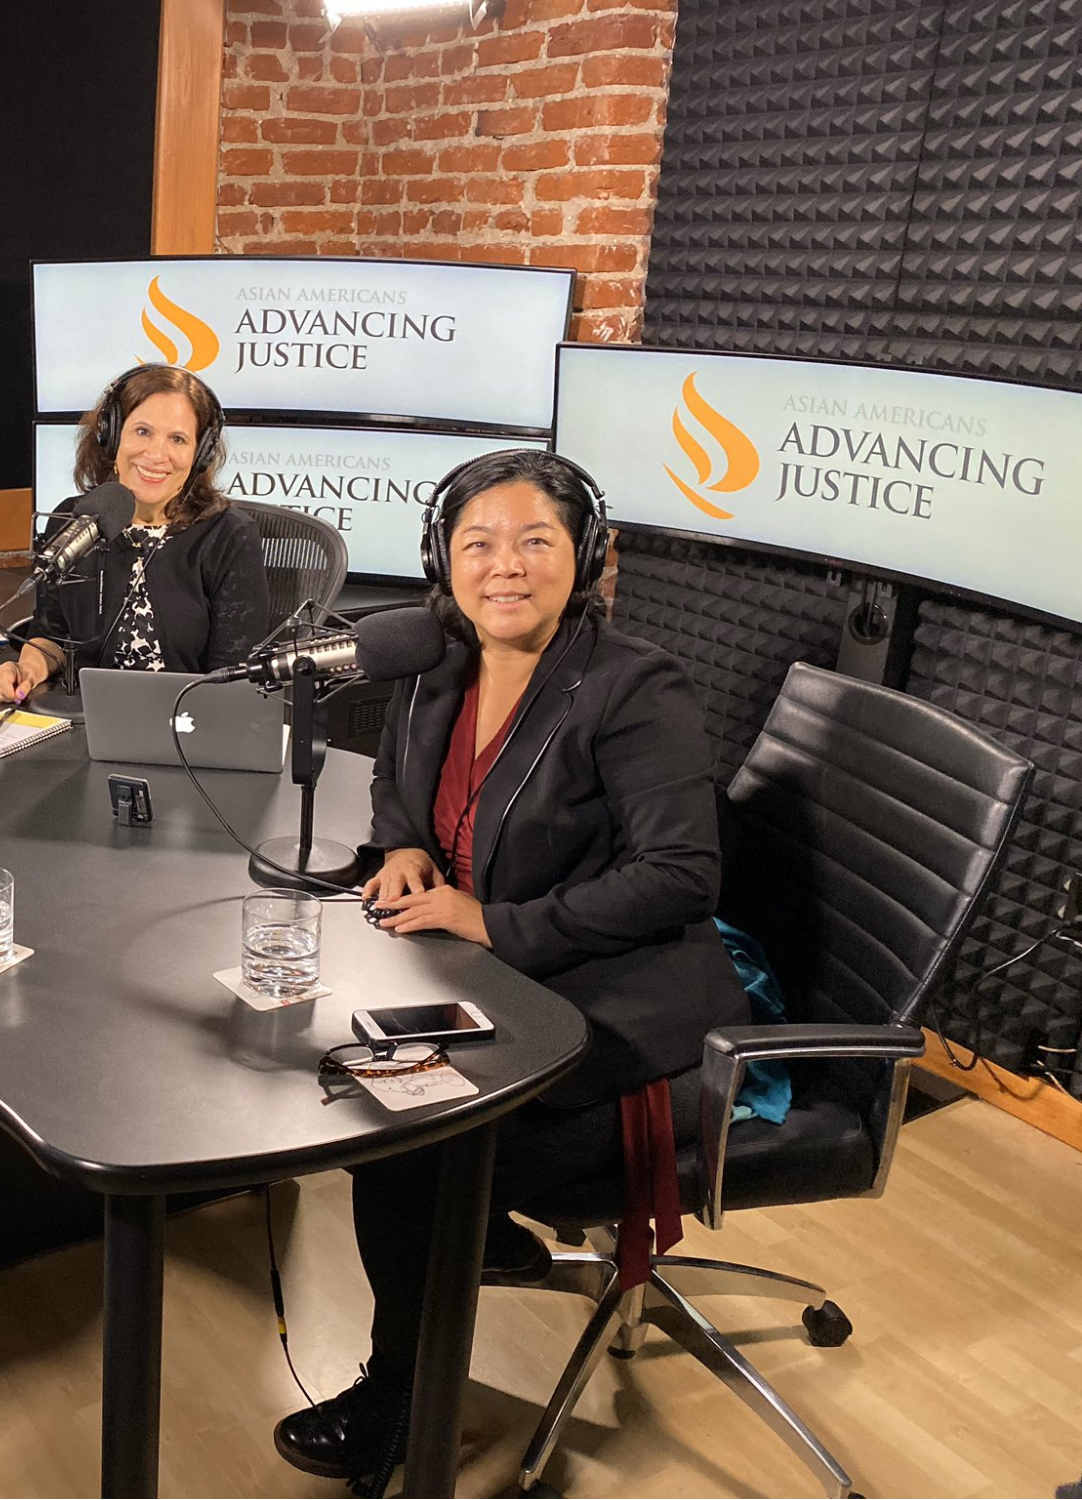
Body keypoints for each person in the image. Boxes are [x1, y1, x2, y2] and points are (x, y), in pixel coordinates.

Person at [272, 449, 748, 1481]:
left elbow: (680, 877)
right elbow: (397, 778)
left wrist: (493, 923)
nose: (505, 566)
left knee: (400, 1139)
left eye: (536, 541)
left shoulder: (633, 688)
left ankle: (402, 1394)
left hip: (617, 1019)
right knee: (337, 1067)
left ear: (588, 556)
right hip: (489, 984)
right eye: (477, 543)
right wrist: (403, 845)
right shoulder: (441, 655)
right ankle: (475, 1234)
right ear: (440, 559)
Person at [0, 363, 270, 701]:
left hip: (188, 721)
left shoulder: (229, 537)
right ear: (111, 435)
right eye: (143, 431)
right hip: (86, 717)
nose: (156, 454)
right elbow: (52, 635)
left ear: (200, 454)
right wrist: (26, 669)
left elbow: (235, 679)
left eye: (177, 439)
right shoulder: (74, 520)